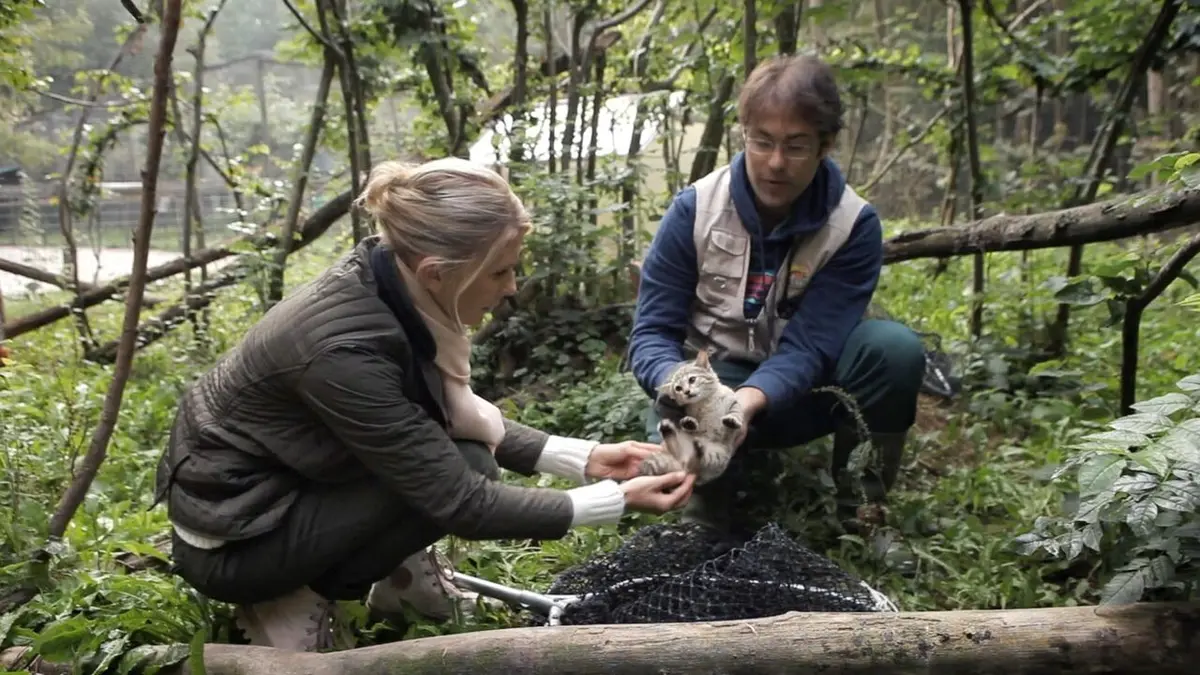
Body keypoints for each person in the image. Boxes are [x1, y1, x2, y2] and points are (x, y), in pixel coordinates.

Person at [152, 157, 696, 653]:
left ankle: (402, 583)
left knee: (465, 455)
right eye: (499, 271)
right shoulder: (345, 351)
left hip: (286, 487)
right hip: (239, 543)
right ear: (437, 270)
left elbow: (435, 418)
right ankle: (289, 600)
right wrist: (614, 500)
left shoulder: (392, 280)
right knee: (466, 468)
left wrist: (584, 459)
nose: (512, 287)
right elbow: (462, 502)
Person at [627, 53, 926, 536]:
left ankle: (864, 512)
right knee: (700, 520)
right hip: (708, 389)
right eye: (762, 141)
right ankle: (702, 509)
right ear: (743, 134)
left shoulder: (853, 226)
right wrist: (689, 388)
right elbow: (651, 334)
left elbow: (812, 346)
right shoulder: (695, 209)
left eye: (796, 146)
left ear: (826, 145)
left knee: (894, 351)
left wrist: (745, 404)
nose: (775, 163)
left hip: (803, 394)